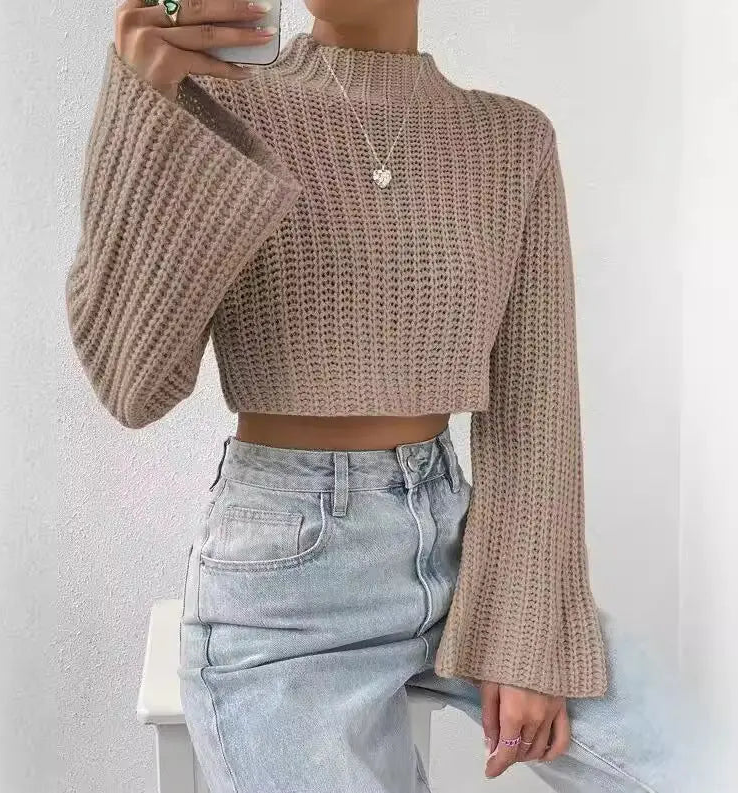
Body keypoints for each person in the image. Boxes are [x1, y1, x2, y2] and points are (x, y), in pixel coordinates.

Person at [64, 0, 710, 789]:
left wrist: (526, 638)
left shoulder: (511, 139)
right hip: (284, 593)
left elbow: (533, 413)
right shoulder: (222, 107)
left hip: (463, 554)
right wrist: (140, 108)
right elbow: (130, 382)